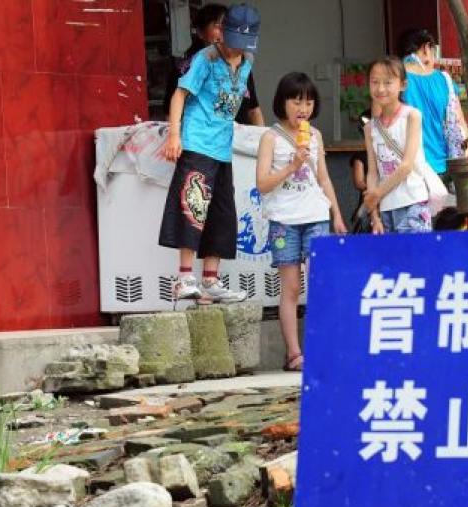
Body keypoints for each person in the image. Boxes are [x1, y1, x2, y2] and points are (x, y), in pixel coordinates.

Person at [158, 3, 261, 303]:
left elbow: (248, 105)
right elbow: (179, 95)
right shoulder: (205, 58)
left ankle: (211, 281)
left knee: (222, 214)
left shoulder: (247, 62)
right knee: (193, 206)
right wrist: (174, 134)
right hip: (197, 142)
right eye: (230, 41)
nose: (233, 49)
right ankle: (184, 278)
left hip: (222, 149)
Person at [256, 72, 347, 371]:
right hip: (284, 219)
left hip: (316, 215)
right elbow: (262, 183)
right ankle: (294, 354)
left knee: (321, 282)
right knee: (292, 287)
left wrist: (337, 213)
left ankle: (324, 348)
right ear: (283, 102)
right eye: (296, 101)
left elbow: (323, 178)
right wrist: (291, 165)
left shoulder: (316, 136)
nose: (303, 108)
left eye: (308, 102)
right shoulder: (270, 137)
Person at [163, 3, 264, 126]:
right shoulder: (186, 70)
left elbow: (254, 111)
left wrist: (261, 136)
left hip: (241, 140)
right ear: (200, 33)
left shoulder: (240, 64)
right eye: (218, 26)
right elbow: (171, 115)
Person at [363, 56, 432, 234]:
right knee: (392, 262)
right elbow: (372, 172)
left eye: (388, 82)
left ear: (403, 85)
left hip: (413, 203)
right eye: (375, 82)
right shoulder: (370, 128)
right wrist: (374, 216)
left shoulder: (412, 116)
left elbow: (406, 166)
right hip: (386, 209)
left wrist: (376, 194)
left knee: (416, 260)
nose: (380, 88)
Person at [400, 29, 468, 185]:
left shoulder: (394, 78)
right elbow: (459, 122)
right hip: (444, 165)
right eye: (433, 50)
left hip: (407, 168)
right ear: (426, 48)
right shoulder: (444, 80)